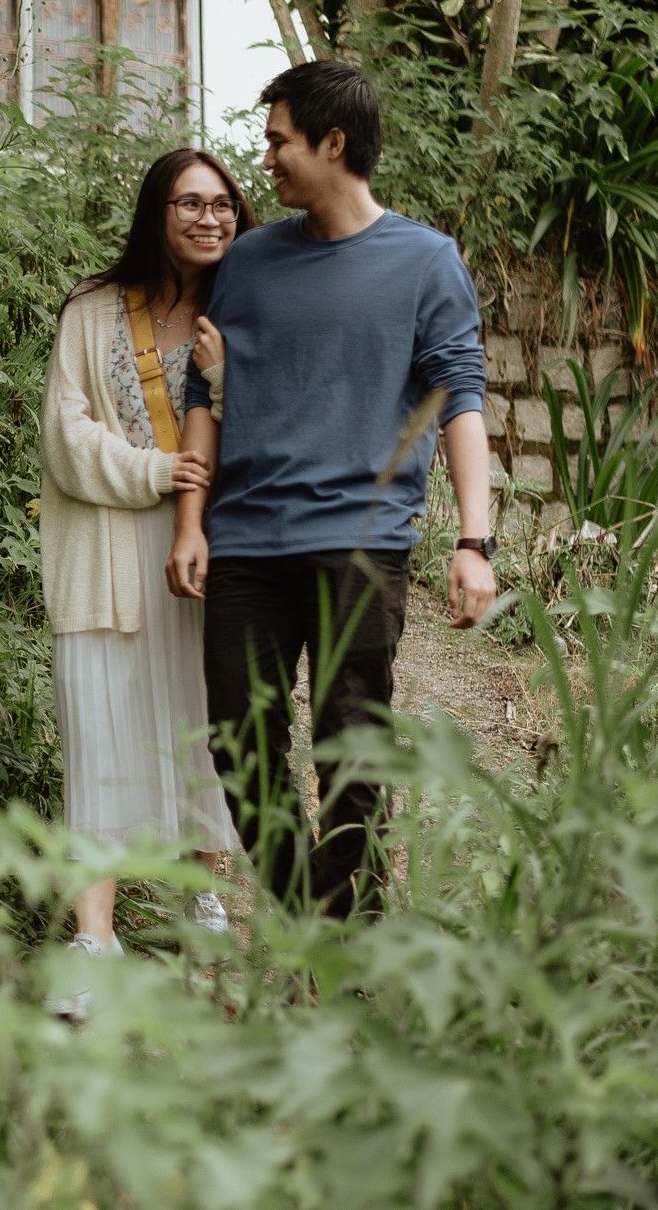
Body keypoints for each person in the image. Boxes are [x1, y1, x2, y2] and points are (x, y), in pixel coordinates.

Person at [168, 61, 497, 921]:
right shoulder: (247, 261)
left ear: (333, 142)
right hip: (245, 544)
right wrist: (191, 522)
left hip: (361, 542)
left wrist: (474, 539)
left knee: (352, 751)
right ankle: (322, 918)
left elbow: (460, 397)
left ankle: (341, 947)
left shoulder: (427, 262)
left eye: (279, 140)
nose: (266, 158)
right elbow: (204, 393)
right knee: (241, 747)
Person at [36, 148, 253, 1010]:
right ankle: (94, 937)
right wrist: (160, 471)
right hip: (103, 559)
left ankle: (206, 903)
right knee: (98, 732)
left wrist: (229, 373)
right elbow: (65, 434)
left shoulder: (249, 308)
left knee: (203, 727)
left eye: (223, 203)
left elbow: (277, 426)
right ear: (156, 214)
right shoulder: (91, 312)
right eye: (188, 203)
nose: (209, 218)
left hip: (209, 558)